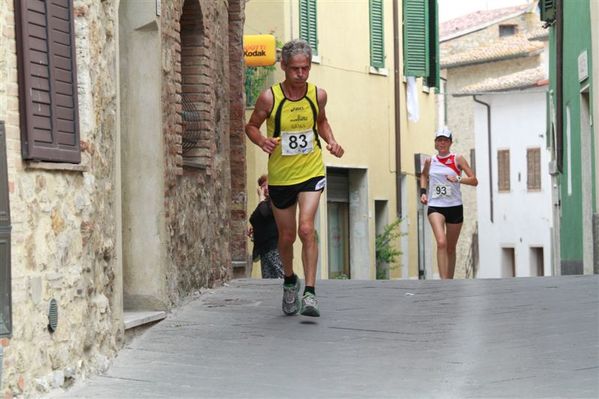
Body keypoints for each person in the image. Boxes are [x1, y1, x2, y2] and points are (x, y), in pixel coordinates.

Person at [245, 39, 344, 317]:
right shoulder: (270, 98)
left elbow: (321, 121)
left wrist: (332, 141)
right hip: (281, 176)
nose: (301, 74)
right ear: (284, 67)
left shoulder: (317, 95)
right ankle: (290, 280)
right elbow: (250, 126)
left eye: (306, 68)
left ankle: (310, 293)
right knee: (286, 237)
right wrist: (262, 140)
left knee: (306, 228)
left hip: (310, 170)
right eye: (295, 69)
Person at [419, 127, 478, 279]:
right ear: (435, 143)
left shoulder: (458, 159)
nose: (442, 143)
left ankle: (449, 281)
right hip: (435, 207)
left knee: (450, 248)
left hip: (454, 207)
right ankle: (443, 282)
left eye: (445, 140)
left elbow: (474, 180)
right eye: (439, 140)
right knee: (441, 242)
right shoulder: (430, 161)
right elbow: (424, 176)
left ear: (450, 142)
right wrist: (423, 193)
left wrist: (458, 179)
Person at [248, 174, 284, 279]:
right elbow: (256, 217)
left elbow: (265, 213)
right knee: (268, 278)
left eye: (267, 185)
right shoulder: (266, 202)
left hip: (275, 246)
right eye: (262, 186)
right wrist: (255, 228)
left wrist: (261, 198)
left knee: (279, 274)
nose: (265, 189)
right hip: (264, 248)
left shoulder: (277, 199)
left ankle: (290, 292)